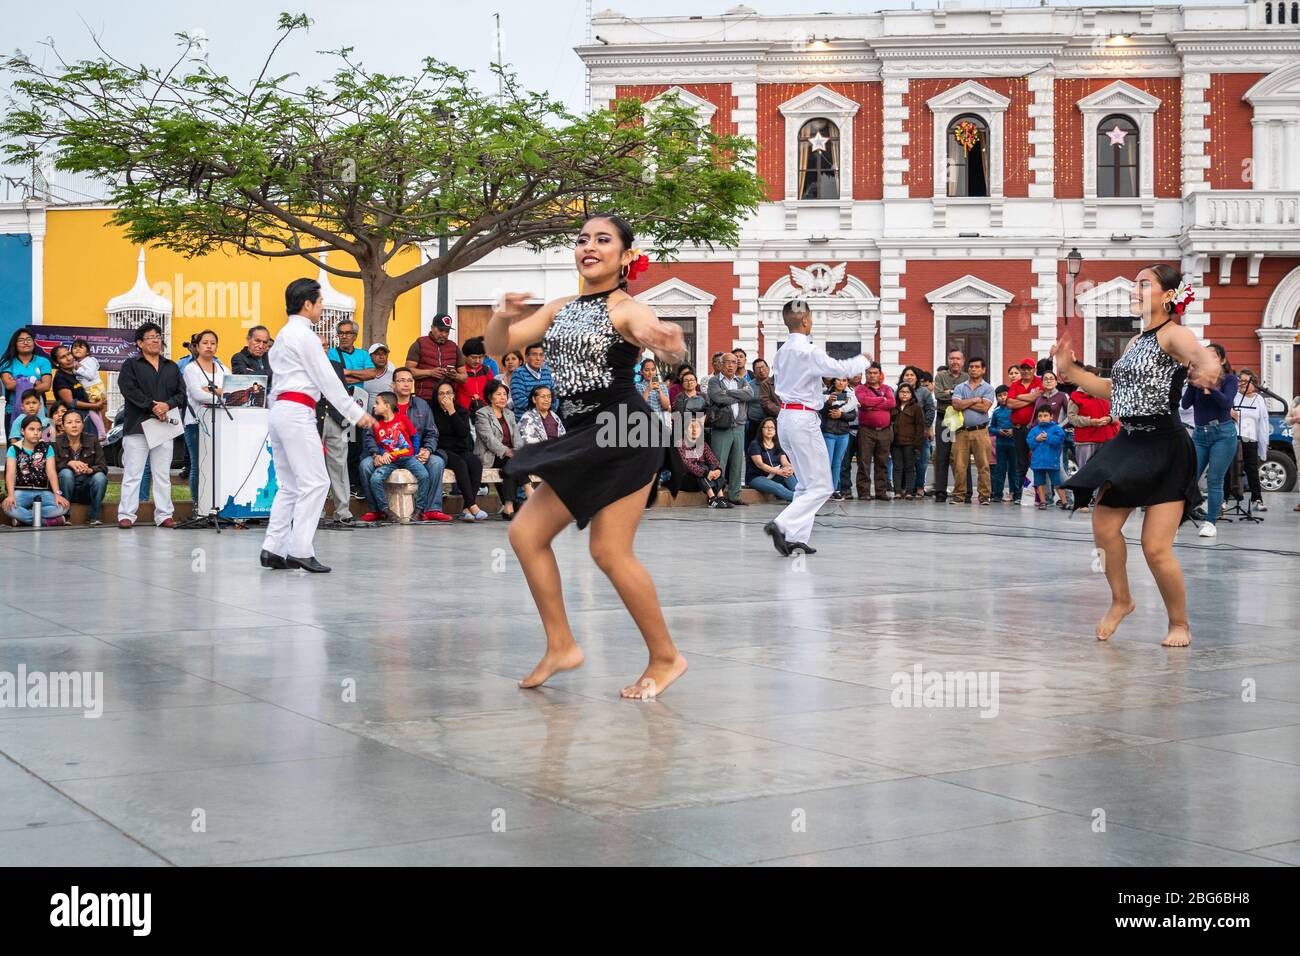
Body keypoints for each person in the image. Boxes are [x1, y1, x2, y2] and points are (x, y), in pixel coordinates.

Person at [487, 212, 689, 699]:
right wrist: (501, 315)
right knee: (525, 533)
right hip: (585, 435)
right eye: (582, 240)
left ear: (625, 257)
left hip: (625, 432)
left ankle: (666, 658)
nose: (589, 247)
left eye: (603, 240)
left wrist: (668, 342)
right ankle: (561, 644)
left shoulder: (625, 310)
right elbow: (499, 347)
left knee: (609, 551)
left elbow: (663, 339)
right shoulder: (561, 307)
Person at [1055, 264, 1223, 647]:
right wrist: (1071, 371)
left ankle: (1179, 623)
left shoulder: (1173, 333)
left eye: (1143, 284)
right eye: (1134, 284)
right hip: (1129, 443)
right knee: (1103, 526)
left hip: (1165, 446)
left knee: (1155, 548)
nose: (1134, 289)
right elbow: (1112, 388)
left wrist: (1208, 370)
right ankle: (1122, 600)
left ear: (1167, 295)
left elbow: (1201, 355)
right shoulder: (1135, 343)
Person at [260, 279, 376, 572]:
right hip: (297, 411)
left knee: (290, 485)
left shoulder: (284, 336)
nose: (322, 307)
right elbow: (328, 380)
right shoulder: (305, 336)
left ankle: (273, 548)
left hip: (280, 410)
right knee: (316, 482)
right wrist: (355, 413)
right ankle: (300, 548)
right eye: (320, 302)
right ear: (307, 304)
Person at [765, 299, 870, 555]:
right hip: (803, 420)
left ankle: (793, 537)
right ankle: (782, 524)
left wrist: (819, 397)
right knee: (822, 485)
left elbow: (792, 386)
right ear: (804, 320)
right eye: (811, 318)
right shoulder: (809, 351)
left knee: (805, 484)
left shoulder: (780, 353)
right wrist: (863, 360)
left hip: (787, 417)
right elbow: (840, 369)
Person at [116, 322, 185, 529]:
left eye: (158, 336)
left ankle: (164, 515)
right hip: (138, 426)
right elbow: (128, 389)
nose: (156, 340)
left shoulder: (171, 366)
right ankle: (126, 515)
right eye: (150, 337)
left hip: (164, 427)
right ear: (139, 343)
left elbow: (181, 394)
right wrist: (152, 407)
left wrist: (167, 405)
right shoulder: (131, 365)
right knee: (132, 474)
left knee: (162, 474)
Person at [360, 366, 450, 523]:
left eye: (410, 380)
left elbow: (432, 432)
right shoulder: (382, 406)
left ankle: (431, 509)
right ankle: (376, 510)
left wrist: (427, 450)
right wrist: (376, 454)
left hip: (414, 453)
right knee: (365, 465)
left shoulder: (421, 405)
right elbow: (369, 436)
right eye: (402, 380)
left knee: (437, 462)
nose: (406, 384)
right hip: (386, 455)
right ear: (393, 384)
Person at [1180, 342, 1238, 538]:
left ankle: (1210, 522)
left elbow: (1226, 404)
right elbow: (1185, 404)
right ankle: (1179, 516)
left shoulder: (1230, 380)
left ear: (1222, 360)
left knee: (1214, 479)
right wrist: (1192, 383)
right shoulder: (1197, 380)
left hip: (1222, 433)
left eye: (1212, 355)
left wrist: (1210, 386)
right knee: (1189, 477)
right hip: (1200, 434)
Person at [360, 391, 429, 522]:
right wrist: (381, 454)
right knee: (375, 479)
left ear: (387, 406)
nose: (374, 406)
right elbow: (380, 444)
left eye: (377, 403)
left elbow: (414, 435)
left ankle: (419, 509)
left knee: (424, 475)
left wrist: (414, 452)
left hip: (407, 458)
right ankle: (385, 510)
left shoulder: (402, 418)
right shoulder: (377, 425)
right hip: (390, 460)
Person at [181, 329, 227, 505]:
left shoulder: (223, 369)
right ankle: (197, 505)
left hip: (220, 423)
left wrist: (212, 390)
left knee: (216, 465)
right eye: (205, 343)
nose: (209, 346)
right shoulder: (191, 369)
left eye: (213, 343)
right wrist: (220, 393)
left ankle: (215, 504)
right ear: (197, 347)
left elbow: (232, 392)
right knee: (198, 465)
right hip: (196, 422)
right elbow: (197, 395)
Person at [432, 380, 487, 521]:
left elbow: (463, 433)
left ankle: (466, 508)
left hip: (460, 448)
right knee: (460, 464)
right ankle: (473, 505)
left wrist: (451, 411)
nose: (445, 396)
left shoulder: (461, 411)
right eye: (441, 393)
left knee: (475, 463)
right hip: (442, 450)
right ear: (436, 396)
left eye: (449, 393)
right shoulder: (432, 411)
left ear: (454, 395)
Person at [1067, 369, 1119, 511]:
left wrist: (1110, 418)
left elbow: (1118, 412)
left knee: (1106, 470)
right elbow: (1072, 418)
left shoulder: (1106, 394)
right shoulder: (1076, 396)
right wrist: (1090, 421)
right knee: (1086, 470)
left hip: (1107, 437)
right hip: (1086, 439)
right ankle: (1083, 501)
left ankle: (1100, 499)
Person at [706, 352, 753, 507]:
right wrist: (739, 396)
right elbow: (717, 397)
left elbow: (750, 394)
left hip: (739, 427)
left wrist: (728, 393)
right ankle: (717, 495)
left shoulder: (741, 380)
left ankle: (734, 495)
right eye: (728, 362)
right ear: (721, 364)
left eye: (734, 362)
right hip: (722, 427)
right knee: (719, 463)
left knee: (737, 463)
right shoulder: (714, 381)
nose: (731, 365)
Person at [3, 415, 68, 526]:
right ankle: (46, 521)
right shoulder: (14, 449)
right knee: (8, 508)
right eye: (31, 429)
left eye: (38, 429)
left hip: (43, 491)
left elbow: (52, 472)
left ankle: (24, 519)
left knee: (63, 507)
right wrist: (10, 495)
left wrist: (58, 494)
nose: (36, 433)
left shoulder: (47, 448)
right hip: (21, 491)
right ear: (22, 431)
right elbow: (10, 473)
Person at [949, 357, 996, 505]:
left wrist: (965, 402)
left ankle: (984, 497)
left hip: (980, 431)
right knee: (959, 465)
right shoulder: (960, 387)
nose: (973, 369)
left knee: (983, 466)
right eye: (971, 367)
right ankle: (959, 496)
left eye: (977, 367)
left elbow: (984, 408)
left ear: (983, 370)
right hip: (961, 431)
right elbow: (956, 405)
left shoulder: (988, 388)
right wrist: (976, 399)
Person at [474, 379, 522, 519]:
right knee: (511, 462)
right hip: (490, 455)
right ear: (490, 396)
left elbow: (517, 437)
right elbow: (489, 440)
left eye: (505, 394)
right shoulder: (482, 414)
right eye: (498, 394)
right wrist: (508, 451)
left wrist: (517, 451)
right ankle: (526, 490)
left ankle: (508, 506)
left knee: (510, 464)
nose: (503, 397)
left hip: (509, 457)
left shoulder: (509, 414)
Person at [54, 409, 108, 526]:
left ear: (83, 424)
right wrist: (69, 463)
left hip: (86, 488)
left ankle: (94, 516)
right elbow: (51, 467)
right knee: (66, 474)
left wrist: (90, 470)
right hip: (64, 489)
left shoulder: (92, 440)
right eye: (69, 422)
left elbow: (103, 466)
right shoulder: (56, 442)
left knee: (100, 477)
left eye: (77, 422)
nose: (74, 425)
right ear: (63, 426)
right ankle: (65, 515)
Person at [931, 349, 968, 502]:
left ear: (963, 361)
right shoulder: (940, 376)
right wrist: (957, 395)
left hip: (961, 420)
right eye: (952, 358)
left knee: (962, 457)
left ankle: (966, 492)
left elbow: (968, 397)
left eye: (958, 359)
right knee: (942, 456)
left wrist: (950, 392)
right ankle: (940, 491)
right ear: (948, 360)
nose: (955, 361)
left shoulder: (967, 377)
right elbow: (939, 395)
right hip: (944, 420)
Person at [854, 363, 895, 501]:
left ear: (880, 374)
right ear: (866, 374)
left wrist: (873, 405)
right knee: (864, 462)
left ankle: (881, 492)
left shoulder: (887, 388)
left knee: (882, 462)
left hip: (884, 431)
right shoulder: (860, 388)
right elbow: (863, 401)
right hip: (866, 431)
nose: (872, 375)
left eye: (875, 373)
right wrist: (881, 400)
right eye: (869, 373)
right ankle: (864, 492)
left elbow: (892, 403)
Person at [1232, 369, 1272, 512]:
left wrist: (1263, 441)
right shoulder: (1233, 396)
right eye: (1240, 381)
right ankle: (1225, 498)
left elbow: (1263, 422)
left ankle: (1257, 499)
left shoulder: (1259, 399)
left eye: (1245, 381)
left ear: (1253, 383)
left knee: (1252, 469)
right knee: (1229, 469)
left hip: (1251, 438)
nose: (1241, 383)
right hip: (1234, 438)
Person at [0, 328, 53, 433]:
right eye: (21, 340)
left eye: (29, 339)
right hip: (12, 412)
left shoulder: (43, 361)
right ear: (15, 344)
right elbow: (9, 385)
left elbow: (46, 386)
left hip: (41, 411)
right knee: (15, 446)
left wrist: (19, 381)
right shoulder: (7, 362)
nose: (26, 342)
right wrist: (34, 382)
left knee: (45, 444)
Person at [405, 314, 466, 404]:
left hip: (447, 399)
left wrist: (455, 376)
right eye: (441, 330)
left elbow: (464, 377)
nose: (444, 334)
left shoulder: (454, 347)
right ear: (432, 328)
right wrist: (430, 372)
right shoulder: (419, 344)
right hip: (425, 399)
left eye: (447, 331)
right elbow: (408, 372)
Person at [1006, 358, 1043, 503]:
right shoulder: (1015, 384)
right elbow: (1009, 403)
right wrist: (1030, 398)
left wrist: (1019, 398)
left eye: (1029, 368)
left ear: (1034, 369)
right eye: (1024, 368)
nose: (1026, 371)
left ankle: (1039, 494)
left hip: (1034, 429)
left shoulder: (1038, 383)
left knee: (1036, 461)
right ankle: (1020, 494)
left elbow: (1038, 398)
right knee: (1021, 462)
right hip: (1018, 429)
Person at [676, 414, 729, 508]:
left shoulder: (703, 444)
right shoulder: (680, 443)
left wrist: (717, 470)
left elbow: (713, 460)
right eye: (690, 427)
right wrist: (705, 473)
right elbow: (686, 464)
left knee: (712, 467)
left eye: (697, 427)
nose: (694, 430)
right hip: (685, 480)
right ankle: (712, 499)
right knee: (703, 467)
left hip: (701, 482)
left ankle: (721, 498)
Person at [51, 346, 104, 438]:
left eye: (69, 354)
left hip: (86, 418)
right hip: (74, 422)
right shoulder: (60, 378)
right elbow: (71, 403)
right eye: (63, 357)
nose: (68, 358)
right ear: (56, 363)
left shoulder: (77, 373)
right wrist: (94, 406)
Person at [820, 376, 857, 502]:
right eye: (839, 380)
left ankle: (834, 489)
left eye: (844, 380)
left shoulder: (850, 396)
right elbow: (821, 411)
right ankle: (823, 490)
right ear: (834, 381)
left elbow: (853, 416)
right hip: (828, 431)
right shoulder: (825, 394)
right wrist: (829, 403)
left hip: (843, 433)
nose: (841, 382)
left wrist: (842, 414)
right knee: (827, 462)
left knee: (837, 463)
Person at [746, 417, 797, 502]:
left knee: (788, 474)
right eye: (766, 427)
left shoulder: (777, 444)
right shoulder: (755, 444)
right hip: (757, 477)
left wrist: (789, 468)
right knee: (778, 487)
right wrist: (778, 471)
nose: (769, 430)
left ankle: (799, 495)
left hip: (774, 476)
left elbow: (784, 462)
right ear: (761, 429)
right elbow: (760, 464)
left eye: (772, 427)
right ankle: (803, 500)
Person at [1027, 406, 1068, 510]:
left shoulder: (1056, 429)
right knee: (1039, 482)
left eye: (1045, 416)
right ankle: (1043, 501)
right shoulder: (1034, 430)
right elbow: (1030, 444)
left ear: (1051, 417)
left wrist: (1047, 437)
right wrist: (1036, 439)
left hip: (1052, 461)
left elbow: (1059, 441)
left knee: (1057, 482)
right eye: (1040, 416)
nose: (1042, 418)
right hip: (1038, 462)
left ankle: (1064, 501)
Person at [891, 382, 925, 500]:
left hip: (910, 443)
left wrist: (917, 445)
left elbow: (920, 427)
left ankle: (909, 491)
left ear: (912, 394)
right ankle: (897, 491)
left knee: (910, 467)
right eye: (902, 392)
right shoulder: (893, 406)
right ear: (898, 393)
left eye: (907, 392)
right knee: (897, 467)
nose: (904, 394)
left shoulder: (916, 408)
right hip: (895, 442)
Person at [71, 338, 109, 435]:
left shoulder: (90, 360)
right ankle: (102, 431)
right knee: (96, 410)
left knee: (90, 409)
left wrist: (79, 368)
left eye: (81, 347)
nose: (77, 349)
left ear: (87, 352)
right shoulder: (75, 363)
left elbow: (90, 375)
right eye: (74, 348)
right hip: (89, 389)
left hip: (93, 389)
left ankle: (101, 432)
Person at [510, 342, 554, 420]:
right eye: (534, 354)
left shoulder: (547, 372)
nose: (538, 358)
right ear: (526, 357)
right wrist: (542, 408)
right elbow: (519, 401)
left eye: (541, 355)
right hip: (525, 421)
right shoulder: (518, 373)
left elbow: (554, 397)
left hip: (547, 417)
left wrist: (548, 412)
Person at [989, 385, 1016, 502]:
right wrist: (998, 431)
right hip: (1000, 444)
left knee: (1014, 470)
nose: (1003, 397)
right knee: (1000, 470)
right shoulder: (996, 412)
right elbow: (991, 428)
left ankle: (1015, 493)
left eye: (1005, 394)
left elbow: (1020, 425)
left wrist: (1013, 431)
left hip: (1014, 444)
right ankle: (997, 494)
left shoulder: (1015, 410)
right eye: (999, 396)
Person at [456, 337, 494, 411]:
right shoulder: (459, 371)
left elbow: (493, 389)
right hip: (463, 411)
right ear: (464, 356)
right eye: (473, 357)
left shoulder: (486, 370)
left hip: (484, 410)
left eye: (480, 357)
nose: (477, 361)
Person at [361, 343, 396, 410]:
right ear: (370, 356)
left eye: (384, 354)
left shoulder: (393, 375)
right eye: (378, 354)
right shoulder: (363, 374)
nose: (382, 357)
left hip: (385, 417)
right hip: (365, 417)